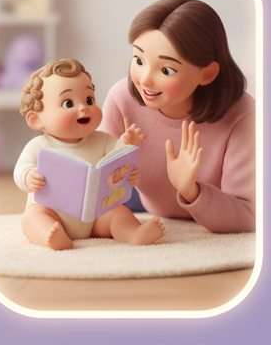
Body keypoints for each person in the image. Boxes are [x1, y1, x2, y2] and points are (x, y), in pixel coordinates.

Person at [101, 0, 254, 233]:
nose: (145, 79)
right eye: (139, 60)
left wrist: (190, 189)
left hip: (216, 210)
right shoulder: (121, 99)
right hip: (139, 199)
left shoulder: (243, 116)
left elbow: (250, 216)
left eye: (166, 69)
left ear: (207, 74)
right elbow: (94, 174)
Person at [12, 58, 163, 249]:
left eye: (89, 99)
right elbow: (21, 168)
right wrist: (28, 176)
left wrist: (129, 156)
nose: (83, 107)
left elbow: (119, 161)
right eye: (68, 103)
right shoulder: (39, 146)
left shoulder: (102, 140)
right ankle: (51, 236)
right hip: (53, 212)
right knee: (32, 217)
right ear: (36, 120)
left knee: (118, 212)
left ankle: (135, 233)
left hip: (95, 217)